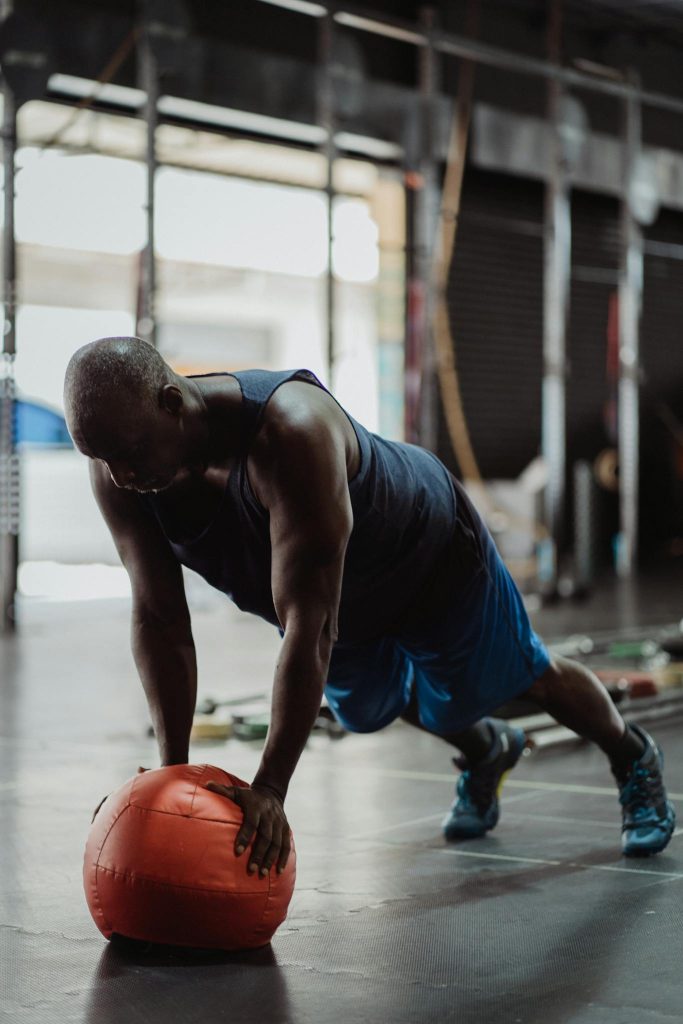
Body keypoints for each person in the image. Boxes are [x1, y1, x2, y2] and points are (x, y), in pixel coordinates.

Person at [63, 336, 675, 878]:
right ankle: (489, 748)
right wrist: (172, 778)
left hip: (428, 552)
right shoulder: (122, 467)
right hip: (339, 593)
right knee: (373, 703)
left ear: (172, 403)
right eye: (103, 459)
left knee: (521, 677)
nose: (119, 476)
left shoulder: (290, 433)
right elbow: (160, 617)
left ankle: (632, 756)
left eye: (130, 453)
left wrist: (271, 788)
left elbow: (311, 624)